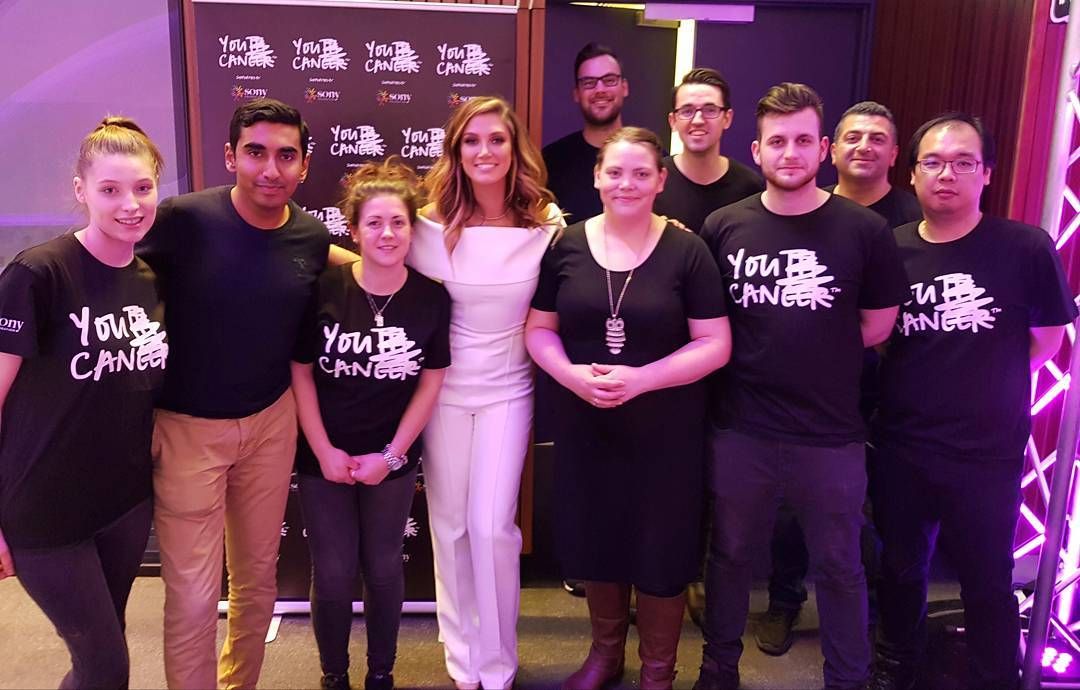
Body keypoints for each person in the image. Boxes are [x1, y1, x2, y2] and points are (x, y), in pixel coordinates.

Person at [694, 83, 910, 690]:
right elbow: (708, 323)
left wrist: (817, 349)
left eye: (802, 140)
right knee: (730, 557)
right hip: (741, 428)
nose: (789, 153)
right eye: (777, 141)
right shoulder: (723, 225)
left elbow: (877, 324)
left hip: (830, 434)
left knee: (840, 567)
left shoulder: (864, 230)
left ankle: (847, 679)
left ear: (822, 149)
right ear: (756, 150)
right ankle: (718, 671)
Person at [866, 114, 1077, 690]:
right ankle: (896, 667)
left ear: (986, 173)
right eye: (933, 162)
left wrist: (981, 377)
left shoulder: (1024, 247)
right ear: (912, 174)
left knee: (987, 579)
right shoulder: (890, 248)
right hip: (902, 442)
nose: (947, 174)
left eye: (963, 163)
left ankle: (994, 678)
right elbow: (880, 335)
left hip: (987, 451)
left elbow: (1045, 341)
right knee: (899, 569)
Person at [526, 126, 731, 690]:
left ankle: (658, 671)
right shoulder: (565, 246)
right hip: (588, 423)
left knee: (662, 547)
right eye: (614, 172)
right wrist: (570, 375)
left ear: (661, 180)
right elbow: (539, 330)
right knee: (598, 536)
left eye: (642, 173)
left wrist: (643, 379)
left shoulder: (688, 251)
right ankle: (605, 656)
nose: (627, 183)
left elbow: (715, 343)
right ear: (596, 177)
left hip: (667, 430)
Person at [138, 98, 330, 689]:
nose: (270, 169)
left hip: (271, 422)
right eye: (255, 153)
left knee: (258, 582)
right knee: (194, 596)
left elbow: (351, 267)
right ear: (230, 156)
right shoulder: (182, 220)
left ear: (304, 164)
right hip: (187, 428)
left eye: (286, 156)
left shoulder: (311, 236)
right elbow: (115, 268)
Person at [0, 117, 168, 688]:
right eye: (110, 189)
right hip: (45, 511)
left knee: (101, 656)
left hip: (123, 505)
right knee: (106, 666)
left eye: (143, 188)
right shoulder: (39, 273)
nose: (130, 204)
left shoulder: (150, 280)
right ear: (81, 190)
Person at [408, 96, 562, 690]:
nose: (485, 151)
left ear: (514, 148)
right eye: (471, 141)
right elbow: (375, 260)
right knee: (449, 526)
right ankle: (463, 658)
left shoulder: (545, 224)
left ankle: (498, 664)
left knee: (492, 526)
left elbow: (598, 255)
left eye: (497, 139)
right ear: (456, 151)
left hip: (509, 391)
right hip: (442, 393)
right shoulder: (426, 225)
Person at [759, 100, 922, 656]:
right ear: (832, 148)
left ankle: (870, 620)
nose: (864, 147)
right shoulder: (803, 210)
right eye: (853, 136)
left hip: (891, 390)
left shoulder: (912, 216)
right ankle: (783, 600)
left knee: (876, 514)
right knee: (788, 510)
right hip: (809, 395)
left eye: (878, 138)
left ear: (895, 154)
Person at [291, 158, 450, 690]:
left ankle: (382, 673)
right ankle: (333, 676)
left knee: (383, 569)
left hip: (392, 459)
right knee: (334, 573)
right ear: (354, 230)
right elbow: (301, 373)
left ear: (412, 229)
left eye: (398, 222)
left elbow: (431, 381)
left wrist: (391, 455)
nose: (387, 234)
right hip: (323, 457)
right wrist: (323, 450)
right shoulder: (324, 289)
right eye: (374, 223)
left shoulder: (431, 297)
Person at [654, 67, 763, 234]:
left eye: (710, 110)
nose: (698, 120)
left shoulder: (751, 187)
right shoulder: (652, 181)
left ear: (727, 118)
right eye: (687, 111)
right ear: (673, 121)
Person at [543, 42, 628, 222]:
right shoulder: (550, 162)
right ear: (577, 93)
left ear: (624, 87)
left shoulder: (651, 159)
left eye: (609, 80)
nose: (600, 90)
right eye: (589, 83)